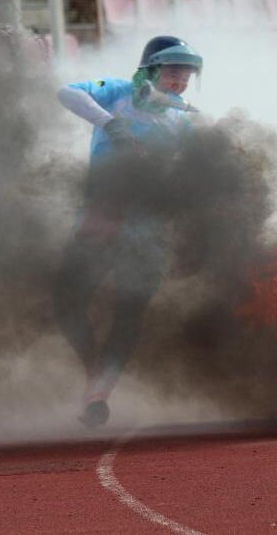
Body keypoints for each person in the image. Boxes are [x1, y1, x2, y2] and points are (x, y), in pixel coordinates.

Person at [54, 35, 203, 428]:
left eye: (185, 76)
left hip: (148, 230)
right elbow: (66, 93)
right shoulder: (117, 92)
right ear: (150, 70)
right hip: (100, 218)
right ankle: (93, 373)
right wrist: (110, 123)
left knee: (130, 309)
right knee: (67, 301)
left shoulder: (183, 122)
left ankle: (100, 391)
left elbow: (198, 176)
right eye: (172, 73)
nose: (179, 82)